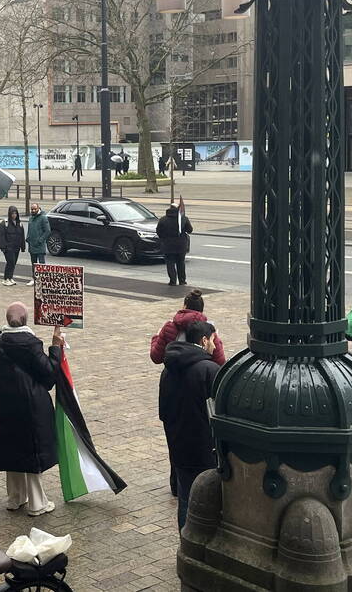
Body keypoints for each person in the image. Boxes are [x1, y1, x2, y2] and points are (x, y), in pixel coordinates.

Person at [0, 302, 63, 517]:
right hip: (30, 406)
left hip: (3, 405)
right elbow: (49, 376)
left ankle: (15, 497)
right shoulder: (30, 344)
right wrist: (55, 346)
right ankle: (37, 503)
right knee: (31, 452)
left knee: (12, 450)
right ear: (26, 321)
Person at [159, 321, 220, 529]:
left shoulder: (169, 368)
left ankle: (186, 542)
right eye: (214, 340)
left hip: (178, 444)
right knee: (208, 499)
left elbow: (163, 410)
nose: (215, 345)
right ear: (204, 340)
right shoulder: (209, 370)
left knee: (185, 499)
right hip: (204, 448)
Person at [150, 290, 225, 367]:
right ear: (201, 309)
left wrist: (156, 337)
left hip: (174, 374)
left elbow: (156, 357)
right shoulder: (208, 330)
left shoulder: (169, 327)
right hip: (200, 374)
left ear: (185, 306)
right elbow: (220, 362)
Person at [156, 205, 192, 286]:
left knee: (170, 263)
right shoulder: (183, 218)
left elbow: (158, 232)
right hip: (181, 245)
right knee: (181, 263)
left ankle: (173, 281)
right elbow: (190, 230)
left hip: (168, 245)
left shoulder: (163, 219)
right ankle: (182, 281)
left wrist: (163, 238)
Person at [0, 206, 26, 286]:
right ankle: (6, 279)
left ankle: (10, 277)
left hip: (16, 247)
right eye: (12, 213)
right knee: (10, 262)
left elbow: (22, 236)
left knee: (14, 263)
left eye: (15, 213)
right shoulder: (4, 223)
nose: (14, 215)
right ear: (9, 214)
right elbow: (1, 236)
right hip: (8, 247)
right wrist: (3, 247)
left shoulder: (19, 224)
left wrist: (23, 247)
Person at [26, 203, 50, 287]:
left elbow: (47, 231)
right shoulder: (31, 218)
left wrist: (40, 240)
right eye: (31, 209)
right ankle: (34, 278)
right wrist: (28, 238)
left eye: (34, 209)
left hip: (39, 245)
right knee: (33, 263)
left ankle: (42, 279)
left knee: (41, 263)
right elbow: (29, 229)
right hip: (32, 245)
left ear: (38, 208)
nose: (32, 211)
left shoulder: (43, 218)